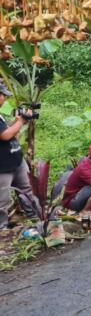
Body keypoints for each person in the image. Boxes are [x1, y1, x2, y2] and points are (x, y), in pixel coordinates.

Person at [0, 82, 36, 231]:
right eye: (2, 96)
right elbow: (5, 135)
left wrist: (17, 121)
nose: (4, 99)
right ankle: (2, 227)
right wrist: (20, 121)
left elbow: (6, 129)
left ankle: (35, 216)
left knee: (27, 190)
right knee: (2, 199)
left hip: (16, 161)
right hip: (3, 167)